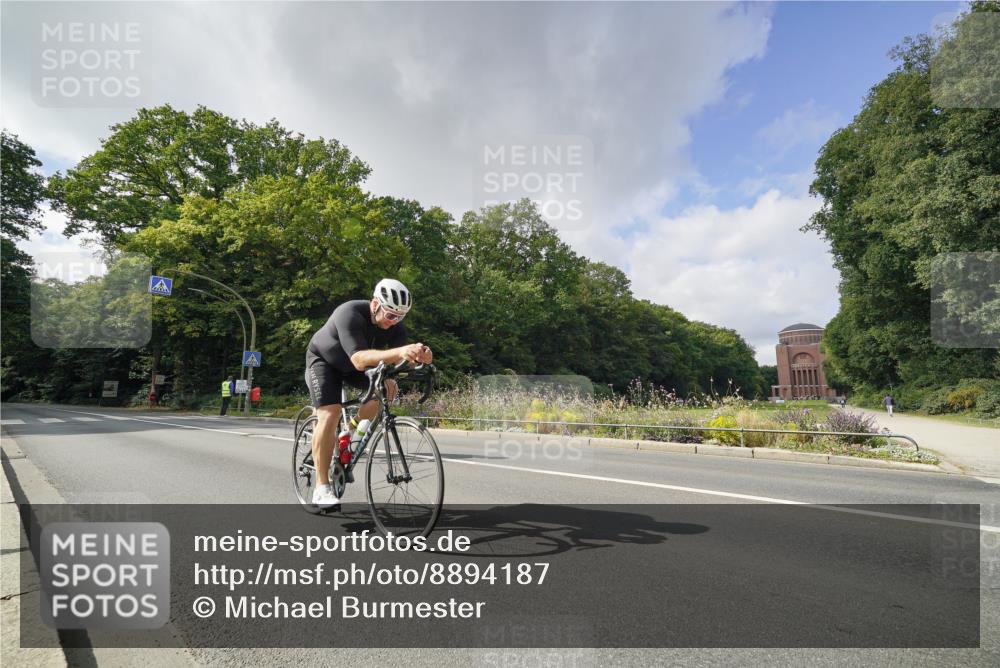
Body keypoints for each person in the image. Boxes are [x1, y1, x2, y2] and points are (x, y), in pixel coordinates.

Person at [304, 279, 433, 509]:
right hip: (325, 362)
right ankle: (321, 488)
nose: (394, 322)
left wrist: (418, 358)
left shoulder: (396, 328)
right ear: (375, 304)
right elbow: (359, 359)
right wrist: (400, 352)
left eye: (400, 317)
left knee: (383, 391)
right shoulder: (350, 313)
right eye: (391, 315)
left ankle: (349, 431)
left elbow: (399, 360)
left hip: (357, 369)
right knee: (330, 413)